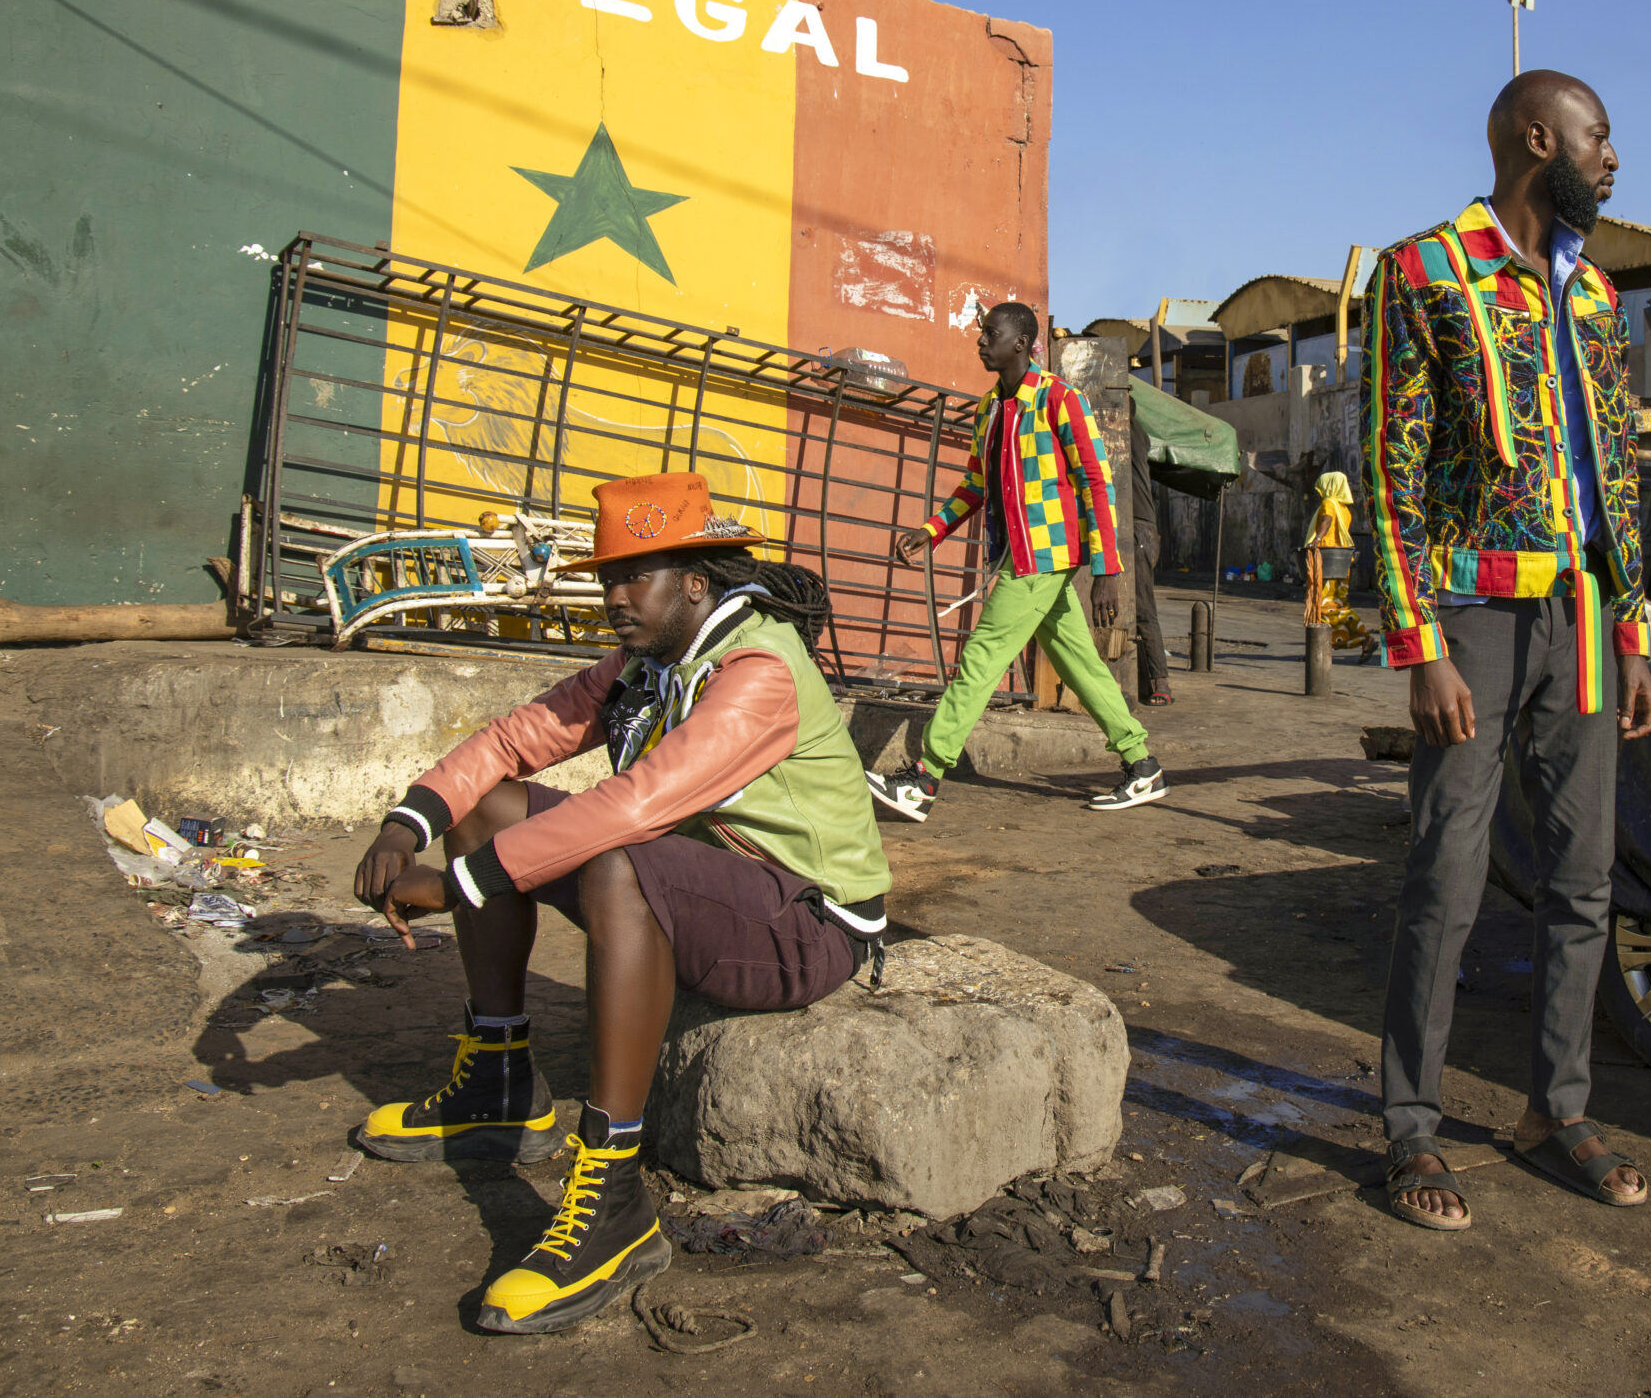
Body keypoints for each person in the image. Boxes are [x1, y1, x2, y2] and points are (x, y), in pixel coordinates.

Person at [347, 471, 889, 1335]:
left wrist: (458, 885)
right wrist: (403, 827)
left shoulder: (759, 670)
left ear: (697, 583)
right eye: (607, 576)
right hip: (708, 882)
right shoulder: (648, 662)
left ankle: (613, 1196)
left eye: (637, 576)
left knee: (619, 862)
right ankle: (499, 1078)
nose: (614, 596)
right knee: (492, 805)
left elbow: (638, 805)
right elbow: (512, 740)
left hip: (807, 920)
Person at [1364, 70, 1651, 1231]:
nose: (1613, 158)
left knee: (1583, 882)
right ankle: (1410, 1128)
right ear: (1539, 139)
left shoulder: (1593, 293)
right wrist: (1418, 643)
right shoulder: (1425, 272)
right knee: (1445, 876)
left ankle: (1557, 1110)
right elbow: (1391, 465)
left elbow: (1618, 476)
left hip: (1585, 622)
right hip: (1475, 621)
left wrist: (1633, 627)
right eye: (1601, 137)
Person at [868, 301, 1167, 820]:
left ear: (1023, 343)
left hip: (1043, 560)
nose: (981, 341)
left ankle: (924, 778)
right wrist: (931, 530)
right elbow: (976, 485)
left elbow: (1097, 483)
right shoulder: (989, 409)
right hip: (1023, 558)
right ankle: (1142, 765)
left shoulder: (1059, 400)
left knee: (980, 661)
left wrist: (1106, 570)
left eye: (991, 333)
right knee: (1083, 666)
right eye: (983, 333)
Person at [1304, 470, 1376, 656]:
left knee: (1324, 605)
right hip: (1342, 560)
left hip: (1327, 559)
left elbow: (1326, 521)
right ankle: (1323, 647)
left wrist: (1317, 539)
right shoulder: (1344, 509)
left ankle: (1352, 639)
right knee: (1338, 603)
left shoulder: (1329, 504)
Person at [1129, 408, 1172, 706]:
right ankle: (1147, 679)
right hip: (1140, 528)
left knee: (1144, 609)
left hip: (1138, 530)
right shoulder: (1139, 432)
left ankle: (1161, 683)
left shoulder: (1131, 433)